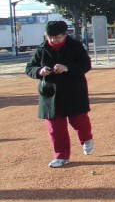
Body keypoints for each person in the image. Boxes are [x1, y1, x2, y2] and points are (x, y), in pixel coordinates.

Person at [25, 20, 94, 168]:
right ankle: (61, 156)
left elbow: (86, 65)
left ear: (64, 35)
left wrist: (67, 68)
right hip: (50, 94)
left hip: (74, 91)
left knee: (79, 121)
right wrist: (39, 71)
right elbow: (29, 68)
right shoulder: (41, 49)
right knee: (55, 128)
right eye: (49, 37)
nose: (53, 40)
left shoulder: (75, 46)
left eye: (57, 37)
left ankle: (87, 139)